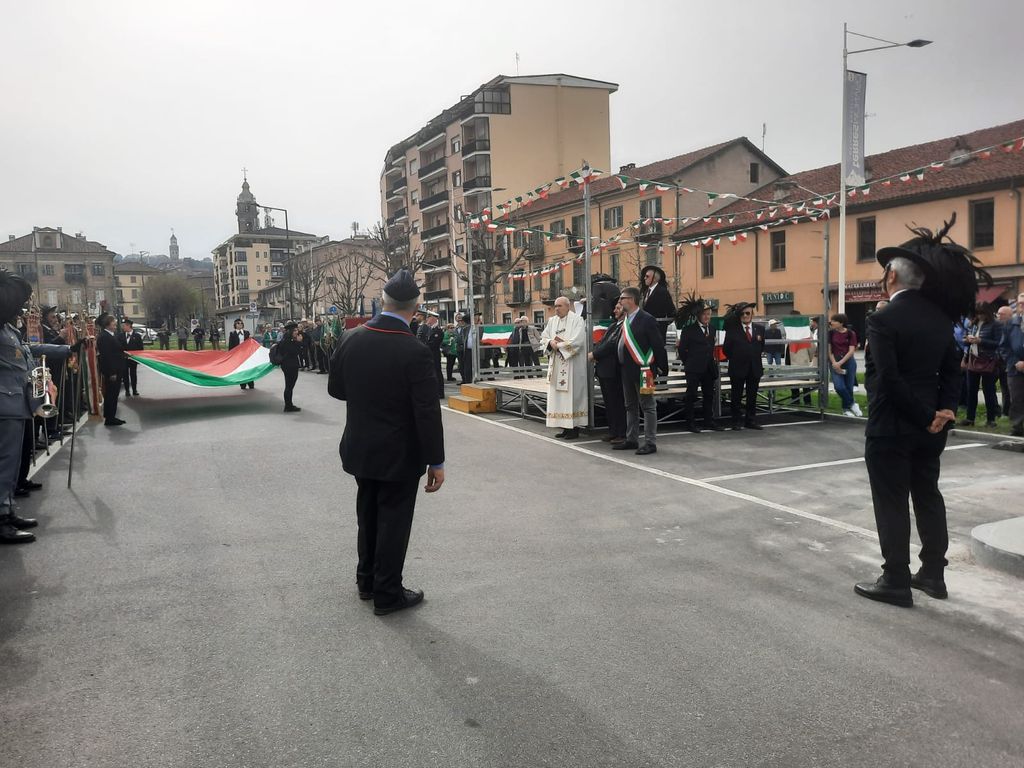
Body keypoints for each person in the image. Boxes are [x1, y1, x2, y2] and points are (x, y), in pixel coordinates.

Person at [855, 213, 984, 607]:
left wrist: (925, 415)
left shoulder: (882, 318)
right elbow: (952, 371)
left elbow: (889, 379)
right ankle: (933, 574)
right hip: (932, 428)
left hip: (893, 425)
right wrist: (943, 411)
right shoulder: (941, 321)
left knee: (891, 501)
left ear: (892, 277)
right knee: (928, 495)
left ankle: (895, 579)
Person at [329, 269, 444, 616]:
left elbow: (336, 390)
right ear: (415, 308)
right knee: (394, 521)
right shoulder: (415, 350)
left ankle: (366, 581)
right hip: (399, 452)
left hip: (361, 445)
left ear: (383, 301)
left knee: (368, 514)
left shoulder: (351, 337)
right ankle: (388, 593)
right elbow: (427, 412)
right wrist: (436, 461)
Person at [0, 272, 79, 542]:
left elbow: (29, 350)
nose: (21, 310)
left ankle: (7, 509)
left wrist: (68, 350)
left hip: (16, 404)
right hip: (4, 405)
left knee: (12, 464)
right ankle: (1, 519)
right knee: (4, 463)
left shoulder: (8, 330)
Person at [615, 286, 668, 454]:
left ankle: (650, 442)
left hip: (644, 370)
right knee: (630, 405)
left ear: (631, 300)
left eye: (622, 298)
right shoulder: (626, 319)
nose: (620, 301)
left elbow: (658, 344)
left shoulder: (647, 319)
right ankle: (631, 439)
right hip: (626, 370)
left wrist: (662, 367)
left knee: (648, 406)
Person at [540, 296, 588, 439]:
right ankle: (564, 427)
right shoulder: (552, 321)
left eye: (559, 306)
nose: (556, 309)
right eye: (555, 306)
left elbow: (578, 341)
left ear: (568, 306)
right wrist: (550, 342)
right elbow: (544, 337)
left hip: (572, 366)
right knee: (559, 398)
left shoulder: (577, 320)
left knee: (571, 396)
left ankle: (574, 428)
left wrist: (558, 345)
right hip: (556, 365)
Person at [676, 294, 724, 433]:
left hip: (708, 367)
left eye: (709, 314)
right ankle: (690, 422)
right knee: (691, 395)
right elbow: (682, 349)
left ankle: (708, 421)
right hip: (694, 368)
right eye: (704, 314)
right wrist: (689, 362)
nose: (707, 317)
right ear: (698, 315)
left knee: (709, 395)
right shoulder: (689, 330)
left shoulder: (712, 329)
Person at [722, 302, 765, 430]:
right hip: (738, 368)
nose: (745, 316)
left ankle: (750, 420)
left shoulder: (760, 329)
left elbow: (761, 346)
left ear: (752, 314)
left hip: (754, 367)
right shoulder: (733, 330)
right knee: (736, 396)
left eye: (748, 313)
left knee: (752, 396)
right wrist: (738, 358)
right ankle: (736, 421)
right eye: (742, 314)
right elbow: (726, 349)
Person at [588, 302, 627, 444]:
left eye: (618, 308)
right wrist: (596, 352)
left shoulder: (625, 326)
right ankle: (613, 431)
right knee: (609, 403)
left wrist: (595, 354)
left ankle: (621, 433)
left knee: (617, 403)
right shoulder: (613, 326)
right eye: (615, 308)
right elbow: (602, 342)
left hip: (614, 370)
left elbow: (612, 344)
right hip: (604, 369)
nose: (615, 310)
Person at [959, 303, 1001, 427]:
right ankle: (970, 418)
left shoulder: (995, 324)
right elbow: (966, 341)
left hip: (988, 360)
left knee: (988, 391)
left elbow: (998, 343)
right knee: (971, 390)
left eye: (982, 313)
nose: (979, 316)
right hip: (973, 358)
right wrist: (967, 340)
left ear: (987, 313)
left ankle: (991, 419)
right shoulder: (973, 324)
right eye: (977, 313)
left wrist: (981, 341)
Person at [95, 313, 127, 427]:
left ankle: (111, 416)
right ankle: (110, 418)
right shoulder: (104, 337)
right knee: (111, 394)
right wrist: (112, 372)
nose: (115, 325)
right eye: (113, 323)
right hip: (112, 371)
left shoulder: (110, 335)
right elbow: (106, 356)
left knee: (113, 394)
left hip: (116, 368)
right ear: (108, 325)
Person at [828, 313, 861, 417]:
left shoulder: (851, 333)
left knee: (849, 387)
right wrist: (835, 363)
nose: (831, 322)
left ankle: (846, 409)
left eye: (834, 321)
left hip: (848, 362)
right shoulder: (831, 333)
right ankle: (852, 404)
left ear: (841, 323)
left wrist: (840, 363)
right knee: (839, 387)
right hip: (834, 361)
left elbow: (851, 351)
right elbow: (829, 351)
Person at [1000, 303, 1024, 437]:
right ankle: (1017, 427)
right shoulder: (1010, 324)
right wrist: (1015, 362)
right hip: (1015, 369)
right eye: (1020, 303)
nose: (1022, 306)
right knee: (1016, 398)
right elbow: (1004, 347)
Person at [639, 265, 674, 342]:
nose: (644, 278)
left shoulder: (662, 292)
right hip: (645, 332)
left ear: (654, 278)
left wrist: (661, 324)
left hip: (657, 332)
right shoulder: (645, 292)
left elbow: (671, 311)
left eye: (647, 276)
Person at [277, 322, 303, 412]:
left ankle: (289, 405)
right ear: (290, 331)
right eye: (295, 330)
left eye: (297, 330)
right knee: (289, 386)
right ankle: (288, 406)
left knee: (289, 386)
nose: (297, 332)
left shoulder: (288, 340)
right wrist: (299, 342)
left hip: (289, 365)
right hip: (290, 365)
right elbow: (294, 352)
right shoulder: (287, 341)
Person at [420, 311, 445, 398]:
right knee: (431, 373)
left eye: (429, 317)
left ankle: (440, 392)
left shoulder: (438, 331)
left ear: (434, 319)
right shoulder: (430, 329)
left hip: (434, 354)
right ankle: (434, 391)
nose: (427, 319)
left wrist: (424, 346)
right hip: (430, 354)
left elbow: (433, 344)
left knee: (437, 373)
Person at [996, 304, 1014, 420]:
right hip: (995, 361)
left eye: (1002, 314)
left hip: (1008, 361)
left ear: (1009, 315)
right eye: (998, 314)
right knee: (994, 388)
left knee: (1007, 388)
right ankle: (998, 411)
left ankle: (1006, 411)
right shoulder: (995, 326)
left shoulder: (1013, 327)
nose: (999, 316)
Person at [228, 319, 255, 390]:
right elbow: (231, 346)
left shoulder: (247, 333)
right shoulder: (232, 333)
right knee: (241, 369)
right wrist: (231, 356)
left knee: (248, 368)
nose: (240, 324)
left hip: (246, 354)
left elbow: (251, 343)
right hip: (238, 355)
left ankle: (251, 383)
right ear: (235, 325)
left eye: (241, 323)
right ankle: (242, 384)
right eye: (238, 323)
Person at [122, 318, 144, 397]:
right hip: (124, 359)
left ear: (129, 326)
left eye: (124, 326)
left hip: (133, 359)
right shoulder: (120, 336)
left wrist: (138, 358)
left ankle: (134, 390)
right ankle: (127, 390)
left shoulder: (137, 336)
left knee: (133, 374)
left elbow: (140, 348)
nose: (123, 327)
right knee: (125, 375)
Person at [457, 313, 474, 384]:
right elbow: (461, 339)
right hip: (466, 350)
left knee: (472, 366)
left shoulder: (475, 327)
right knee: (467, 367)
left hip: (474, 350)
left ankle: (472, 380)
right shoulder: (464, 329)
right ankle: (467, 381)